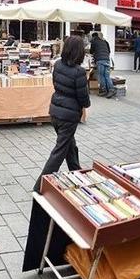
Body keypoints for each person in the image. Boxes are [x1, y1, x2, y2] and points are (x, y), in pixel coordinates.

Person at [33, 36, 91, 192]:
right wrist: (86, 104)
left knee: (70, 146)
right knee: (60, 151)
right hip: (69, 116)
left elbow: (56, 84)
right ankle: (40, 185)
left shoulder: (58, 65)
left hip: (56, 111)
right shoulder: (79, 72)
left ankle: (77, 173)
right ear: (79, 52)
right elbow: (83, 98)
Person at [90, 33, 115, 98]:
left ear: (93, 37)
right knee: (107, 76)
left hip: (100, 60)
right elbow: (109, 51)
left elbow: (91, 51)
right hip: (107, 59)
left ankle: (104, 91)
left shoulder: (94, 41)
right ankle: (111, 90)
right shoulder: (105, 41)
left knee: (101, 76)